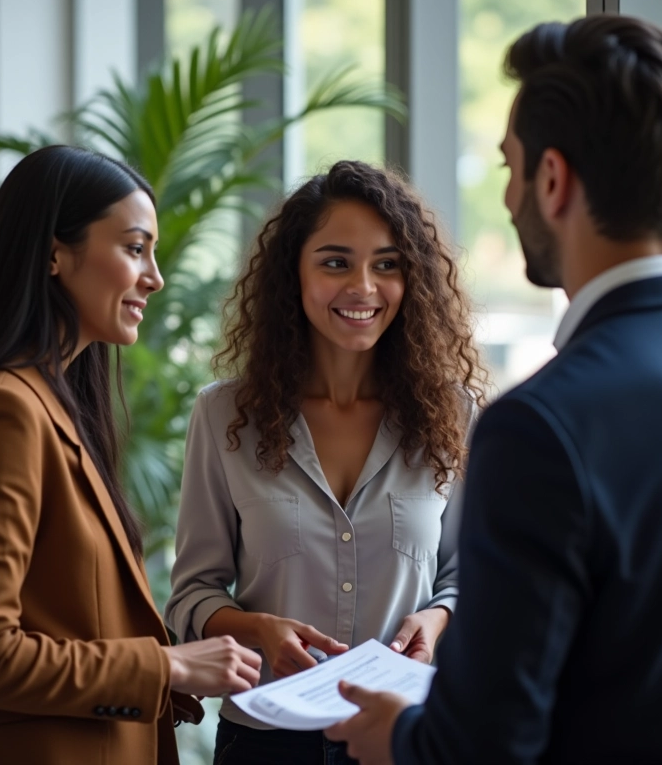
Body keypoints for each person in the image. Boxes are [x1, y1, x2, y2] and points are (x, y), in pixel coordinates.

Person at [325, 14, 662, 765]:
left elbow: (486, 746)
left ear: (552, 179)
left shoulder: (538, 427)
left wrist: (396, 737)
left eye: (509, 168)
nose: (507, 198)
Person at [0, 145, 262, 765]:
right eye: (134, 247)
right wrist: (165, 666)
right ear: (55, 254)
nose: (155, 276)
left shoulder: (57, 406)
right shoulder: (7, 411)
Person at [164, 160, 487, 764]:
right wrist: (256, 629)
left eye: (385, 264)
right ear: (295, 274)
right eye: (335, 262)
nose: (363, 287)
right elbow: (190, 595)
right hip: (265, 743)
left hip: (403, 737)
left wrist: (438, 620)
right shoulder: (224, 415)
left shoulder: (452, 415)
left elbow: (466, 577)